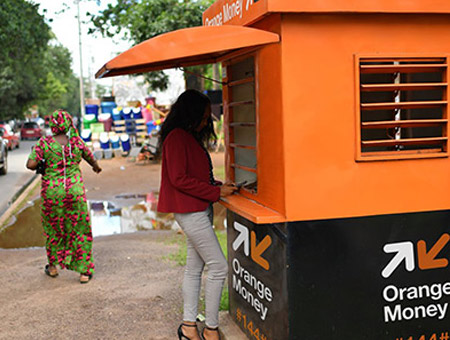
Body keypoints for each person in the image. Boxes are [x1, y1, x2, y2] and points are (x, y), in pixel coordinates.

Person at [158, 90, 236, 340]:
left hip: (195, 208)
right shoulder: (177, 138)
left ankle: (189, 326)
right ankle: (210, 329)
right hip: (190, 211)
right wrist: (215, 191)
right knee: (219, 267)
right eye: (203, 117)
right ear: (190, 113)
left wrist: (218, 186)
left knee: (195, 268)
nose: (206, 122)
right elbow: (179, 179)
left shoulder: (184, 136)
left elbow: (194, 175)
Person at [26, 110, 102, 284]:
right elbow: (91, 159)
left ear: (53, 125)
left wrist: (43, 163)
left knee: (54, 229)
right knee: (80, 229)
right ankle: (84, 272)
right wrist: (96, 168)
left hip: (53, 194)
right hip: (75, 192)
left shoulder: (44, 143)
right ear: (68, 124)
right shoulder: (76, 142)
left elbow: (31, 164)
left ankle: (53, 267)